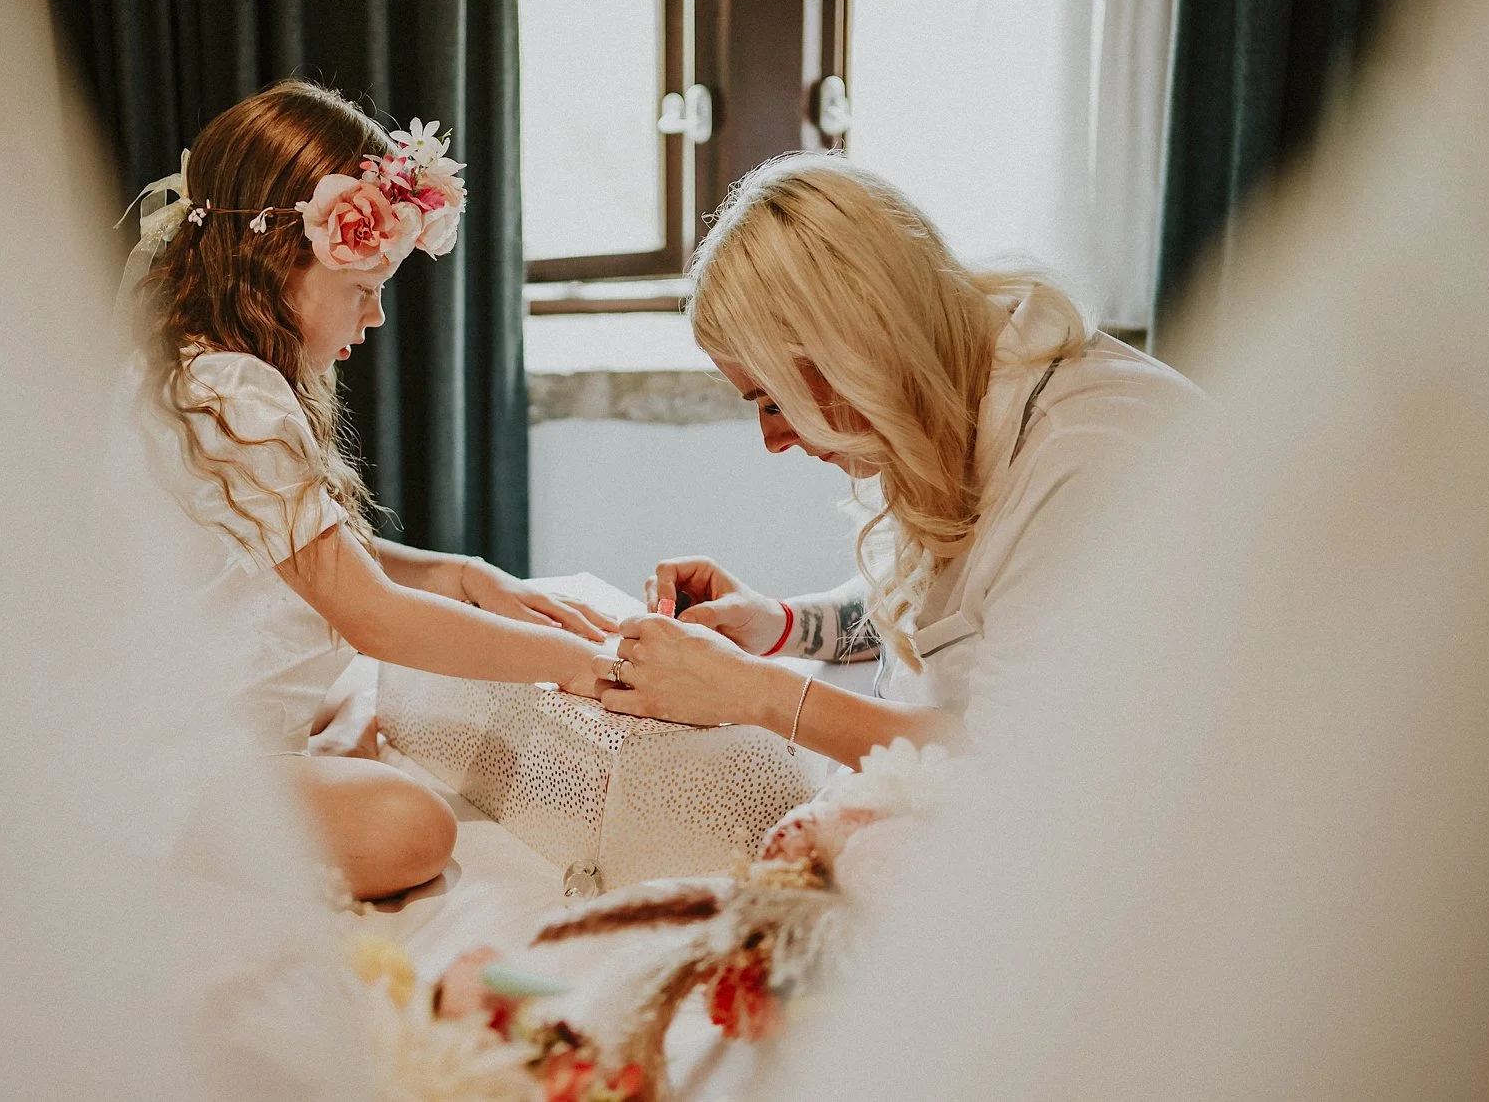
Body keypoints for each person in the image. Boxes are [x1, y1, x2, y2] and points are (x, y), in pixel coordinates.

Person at [102, 80, 616, 899]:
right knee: (414, 825)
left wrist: (461, 574)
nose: (374, 318)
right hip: (172, 757)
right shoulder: (231, 392)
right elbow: (370, 614)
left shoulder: (199, 369)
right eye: (362, 290)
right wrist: (583, 664)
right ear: (281, 259)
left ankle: (304, 770)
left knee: (377, 710)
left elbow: (305, 550)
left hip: (197, 725)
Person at [601, 154, 1201, 763]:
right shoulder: (968, 388)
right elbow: (941, 615)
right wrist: (777, 623)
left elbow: (1014, 768)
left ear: (853, 347)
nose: (773, 441)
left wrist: (752, 693)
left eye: (773, 401)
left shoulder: (1084, 461)